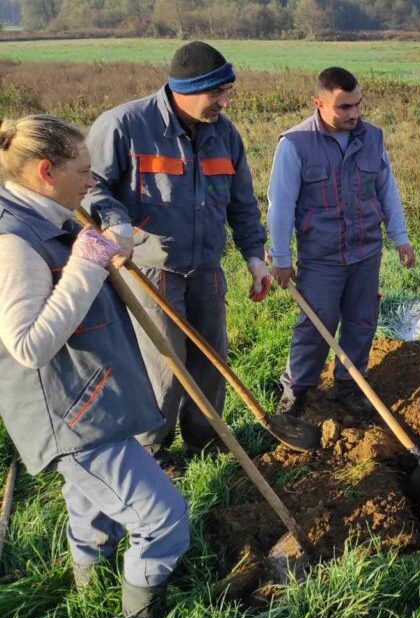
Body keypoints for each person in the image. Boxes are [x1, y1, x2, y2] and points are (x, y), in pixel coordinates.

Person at [0, 115, 189, 618]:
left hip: (90, 396)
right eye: (82, 171)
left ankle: (89, 596)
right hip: (70, 413)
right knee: (163, 520)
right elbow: (27, 345)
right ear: (45, 171)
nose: (91, 180)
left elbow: (100, 195)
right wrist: (85, 266)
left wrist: (114, 223)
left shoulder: (44, 208)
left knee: (92, 508)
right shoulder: (13, 240)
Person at [82, 41, 270, 465]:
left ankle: (205, 440)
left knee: (212, 361)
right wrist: (117, 221)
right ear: (185, 90)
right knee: (165, 367)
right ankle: (153, 449)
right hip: (151, 270)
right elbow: (89, 185)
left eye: (228, 92)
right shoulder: (126, 125)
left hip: (205, 267)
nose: (225, 102)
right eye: (216, 94)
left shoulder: (225, 135)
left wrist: (254, 257)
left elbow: (241, 203)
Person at [268, 67, 415, 416]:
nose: (354, 114)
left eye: (357, 105)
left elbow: (387, 190)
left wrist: (400, 238)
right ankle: (297, 392)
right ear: (319, 103)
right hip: (321, 257)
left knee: (362, 320)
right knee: (315, 324)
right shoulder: (295, 144)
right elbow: (281, 204)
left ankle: (349, 387)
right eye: (344, 107)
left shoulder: (372, 138)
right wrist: (280, 256)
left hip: (366, 250)